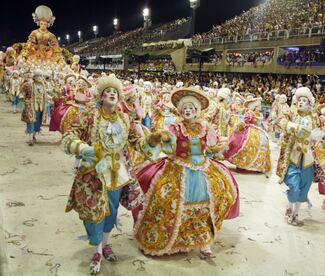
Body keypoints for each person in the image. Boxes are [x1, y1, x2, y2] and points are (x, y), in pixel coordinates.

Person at [134, 87, 239, 258]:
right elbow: (169, 147)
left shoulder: (206, 126)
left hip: (203, 168)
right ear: (180, 111)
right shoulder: (175, 127)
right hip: (178, 167)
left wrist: (219, 147)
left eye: (191, 108)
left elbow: (212, 146)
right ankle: (174, 239)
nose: (188, 111)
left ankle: (205, 242)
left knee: (213, 198)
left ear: (197, 110)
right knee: (168, 200)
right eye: (185, 108)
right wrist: (164, 138)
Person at [61, 75, 144, 275]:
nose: (112, 95)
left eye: (115, 92)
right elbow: (69, 135)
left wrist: (153, 142)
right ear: (101, 95)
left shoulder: (124, 118)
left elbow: (136, 141)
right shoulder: (89, 115)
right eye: (108, 91)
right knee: (93, 213)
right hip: (93, 173)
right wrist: (82, 148)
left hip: (117, 173)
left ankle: (104, 246)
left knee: (112, 211)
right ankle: (97, 247)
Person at [276, 87, 325, 226]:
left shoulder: (315, 119)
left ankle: (296, 214)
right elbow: (279, 120)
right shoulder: (291, 114)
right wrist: (294, 127)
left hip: (307, 159)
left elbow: (323, 135)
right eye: (299, 100)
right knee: (293, 186)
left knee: (304, 188)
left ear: (309, 103)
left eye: (304, 100)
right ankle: (289, 209)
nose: (300, 103)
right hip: (293, 157)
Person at [225, 97, 271, 176]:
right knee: (245, 144)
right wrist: (238, 127)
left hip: (256, 130)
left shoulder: (256, 113)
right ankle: (242, 163)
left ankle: (256, 164)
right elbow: (244, 121)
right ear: (254, 106)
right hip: (250, 131)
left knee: (260, 143)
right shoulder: (249, 113)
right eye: (258, 106)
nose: (259, 107)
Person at [21, 69, 46, 145]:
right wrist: (26, 100)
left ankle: (34, 136)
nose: (39, 77)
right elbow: (22, 92)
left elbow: (45, 95)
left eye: (40, 76)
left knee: (37, 122)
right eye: (37, 75)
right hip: (31, 106)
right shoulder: (29, 84)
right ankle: (30, 138)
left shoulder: (44, 85)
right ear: (34, 77)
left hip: (40, 106)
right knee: (31, 121)